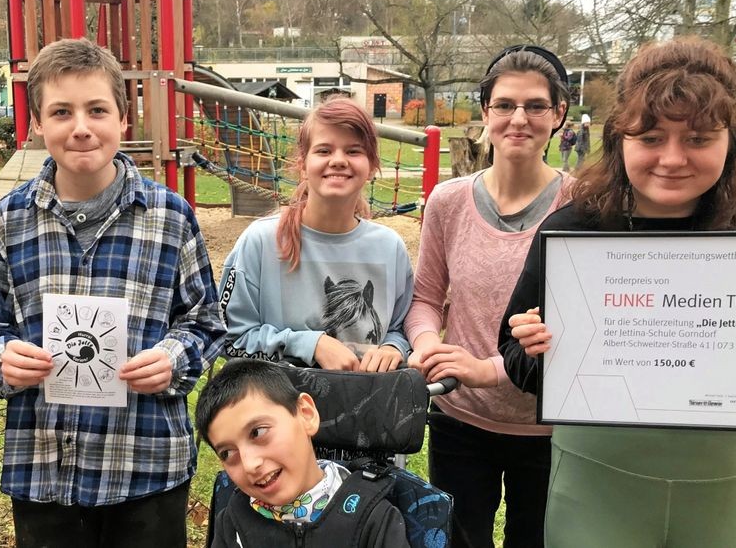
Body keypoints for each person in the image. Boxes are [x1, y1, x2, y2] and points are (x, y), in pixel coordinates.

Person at [499, 37, 736, 546]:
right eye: (649, 138)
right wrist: (537, 350)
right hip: (597, 481)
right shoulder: (577, 231)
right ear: (619, 138)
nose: (671, 159)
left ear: (731, 140)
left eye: (697, 139)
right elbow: (513, 356)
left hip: (724, 486)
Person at [0, 38, 224, 548]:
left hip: (145, 466)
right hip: (46, 471)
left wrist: (172, 359)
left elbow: (205, 322)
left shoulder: (171, 219)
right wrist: (3, 359)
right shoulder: (9, 221)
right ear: (38, 123)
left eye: (97, 110)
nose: (81, 127)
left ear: (123, 119)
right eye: (61, 111)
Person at [405, 45, 573, 548]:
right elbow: (426, 296)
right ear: (485, 112)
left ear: (558, 113)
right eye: (504, 105)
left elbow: (585, 331)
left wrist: (490, 369)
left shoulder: (582, 204)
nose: (518, 118)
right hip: (460, 419)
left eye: (535, 105)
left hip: (549, 428)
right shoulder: (448, 201)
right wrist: (425, 343)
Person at [218, 98, 413, 372]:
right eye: (324, 150)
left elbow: (401, 327)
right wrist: (309, 344)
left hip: (368, 408)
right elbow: (228, 338)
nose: (338, 161)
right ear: (302, 164)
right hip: (280, 408)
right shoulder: (260, 242)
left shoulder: (389, 247)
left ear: (371, 166)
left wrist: (394, 347)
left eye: (354, 151)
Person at [196, 359, 409, 548]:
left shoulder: (372, 518)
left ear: (306, 414)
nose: (250, 464)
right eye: (227, 453)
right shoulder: (234, 521)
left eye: (257, 432)